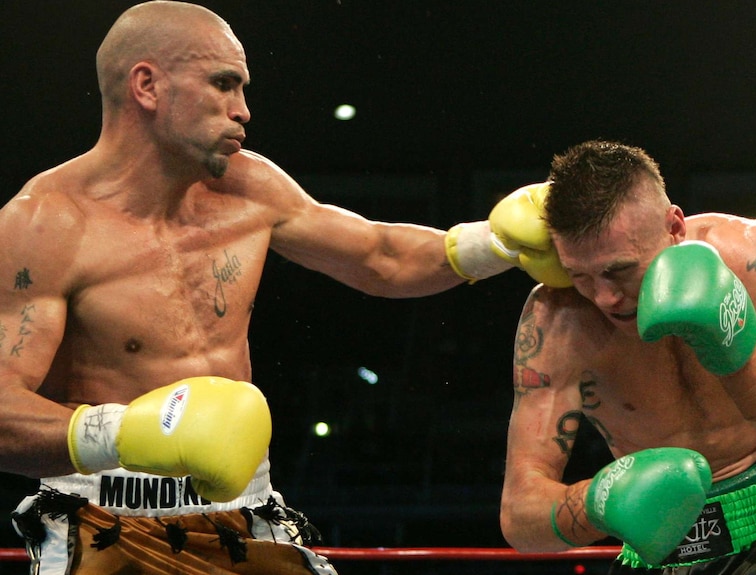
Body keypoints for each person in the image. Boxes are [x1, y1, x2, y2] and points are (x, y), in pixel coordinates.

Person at [0, 2, 566, 574]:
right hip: (103, 518)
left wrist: (498, 243)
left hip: (243, 511)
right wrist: (127, 433)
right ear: (146, 85)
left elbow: (380, 256)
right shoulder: (45, 225)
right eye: (223, 84)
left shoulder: (250, 188)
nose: (242, 110)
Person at [499, 140, 756, 575]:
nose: (605, 296)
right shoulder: (555, 323)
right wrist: (596, 501)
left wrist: (736, 349)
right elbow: (519, 517)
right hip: (655, 556)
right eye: (580, 275)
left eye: (619, 270)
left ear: (674, 227)